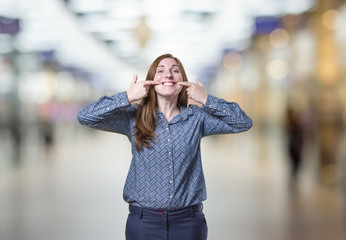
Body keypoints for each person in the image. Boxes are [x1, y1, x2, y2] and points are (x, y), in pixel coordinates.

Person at [77, 53, 253, 240]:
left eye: (175, 71)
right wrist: (128, 96)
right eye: (160, 71)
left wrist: (206, 99)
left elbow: (243, 122)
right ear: (151, 81)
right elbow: (85, 116)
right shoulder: (134, 118)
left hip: (188, 223)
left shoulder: (196, 118)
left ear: (183, 81)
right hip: (144, 223)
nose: (168, 75)